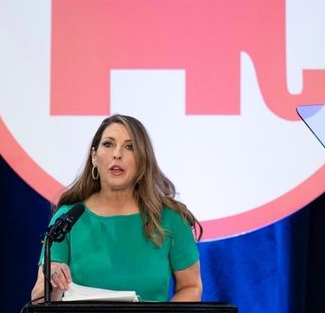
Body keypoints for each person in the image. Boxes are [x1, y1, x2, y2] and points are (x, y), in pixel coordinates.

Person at [30, 114, 203, 303]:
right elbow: (39, 300)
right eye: (108, 144)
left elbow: (191, 286)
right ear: (94, 157)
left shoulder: (170, 219)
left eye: (130, 147)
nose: (117, 154)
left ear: (142, 160)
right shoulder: (68, 220)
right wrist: (53, 287)